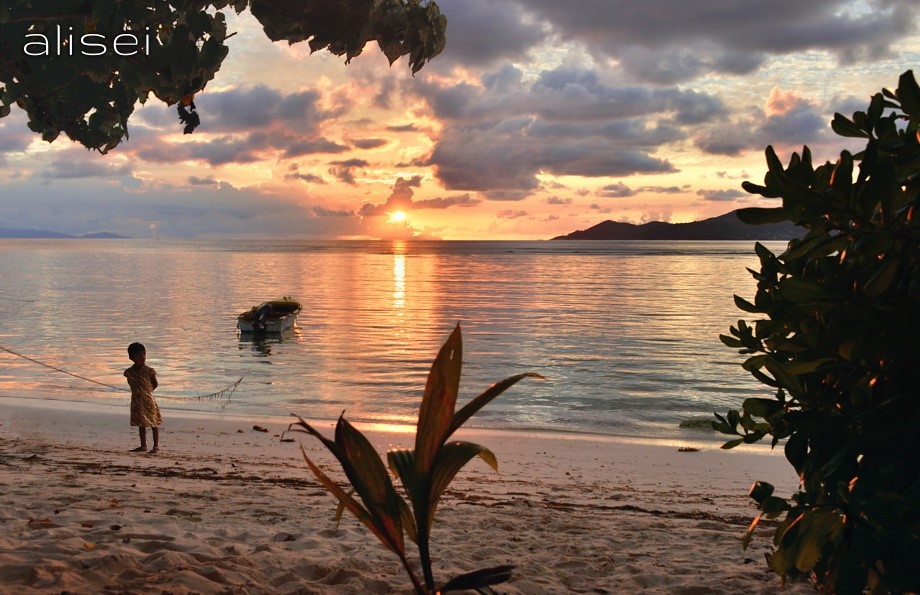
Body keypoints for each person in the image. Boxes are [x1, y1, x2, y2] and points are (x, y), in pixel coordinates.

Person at [124, 342, 162, 453]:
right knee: (141, 423)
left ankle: (155, 446)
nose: (142, 357)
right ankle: (143, 445)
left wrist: (146, 392)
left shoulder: (149, 371)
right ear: (132, 357)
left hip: (148, 401)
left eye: (144, 354)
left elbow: (155, 384)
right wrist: (139, 393)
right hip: (136, 401)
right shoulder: (129, 372)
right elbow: (131, 384)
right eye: (139, 355)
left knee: (153, 423)